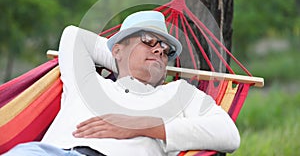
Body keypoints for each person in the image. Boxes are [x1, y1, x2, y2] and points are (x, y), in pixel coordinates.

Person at [3, 11, 240, 156]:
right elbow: (74, 35)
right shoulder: (88, 83)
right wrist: (123, 62)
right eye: (149, 41)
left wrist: (139, 125)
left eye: (166, 51)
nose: (160, 50)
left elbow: (228, 134)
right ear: (116, 49)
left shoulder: (178, 93)